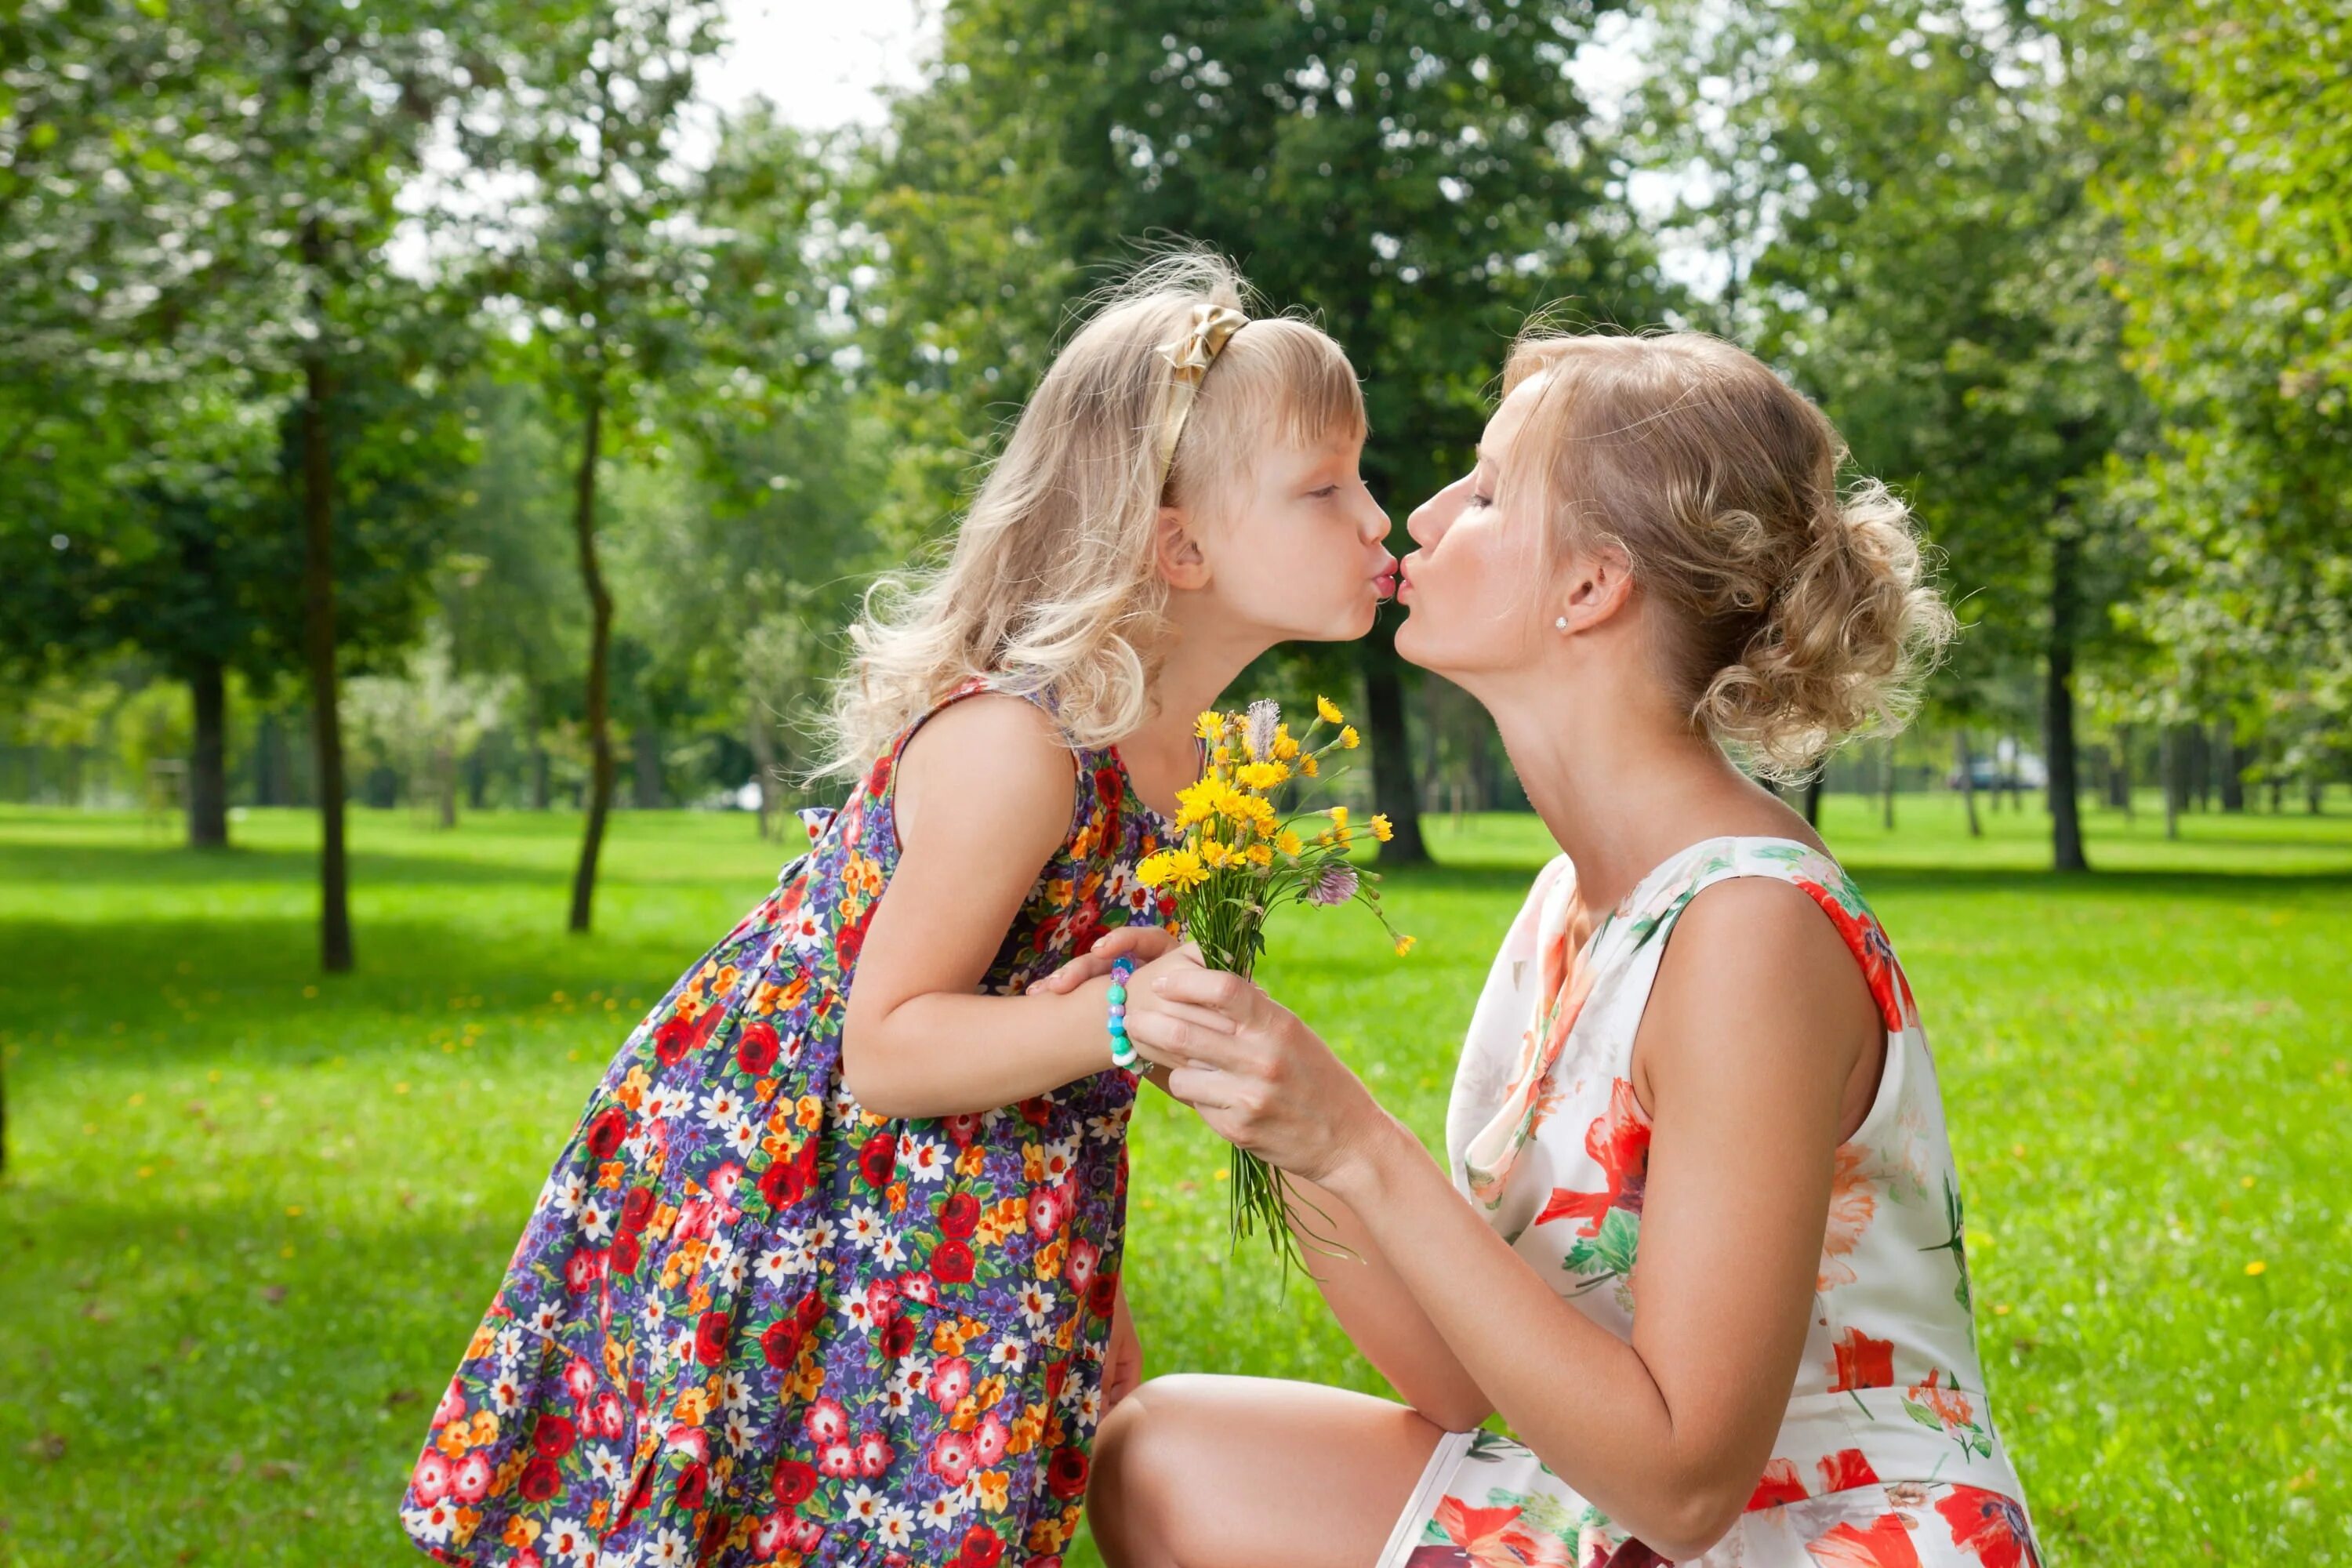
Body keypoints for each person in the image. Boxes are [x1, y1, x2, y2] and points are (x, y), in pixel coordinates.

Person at [398, 250, 1397, 1567]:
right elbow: (889, 1047)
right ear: (1179, 543)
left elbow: (1053, 1035)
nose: (1382, 518)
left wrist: (1083, 1273)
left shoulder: (1195, 766)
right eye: (1327, 489)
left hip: (966, 1212)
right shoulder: (1022, 747)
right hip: (800, 1206)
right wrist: (1124, 1013)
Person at [1060, 330, 2042, 1568]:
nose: (1417, 514)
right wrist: (1278, 1115)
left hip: (1820, 1538)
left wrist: (1357, 1136)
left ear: (1590, 588)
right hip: (1643, 1516)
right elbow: (1459, 1383)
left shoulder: (1750, 934)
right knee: (1162, 1460)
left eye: (1484, 492)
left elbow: (1689, 1488)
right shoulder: (1572, 900)